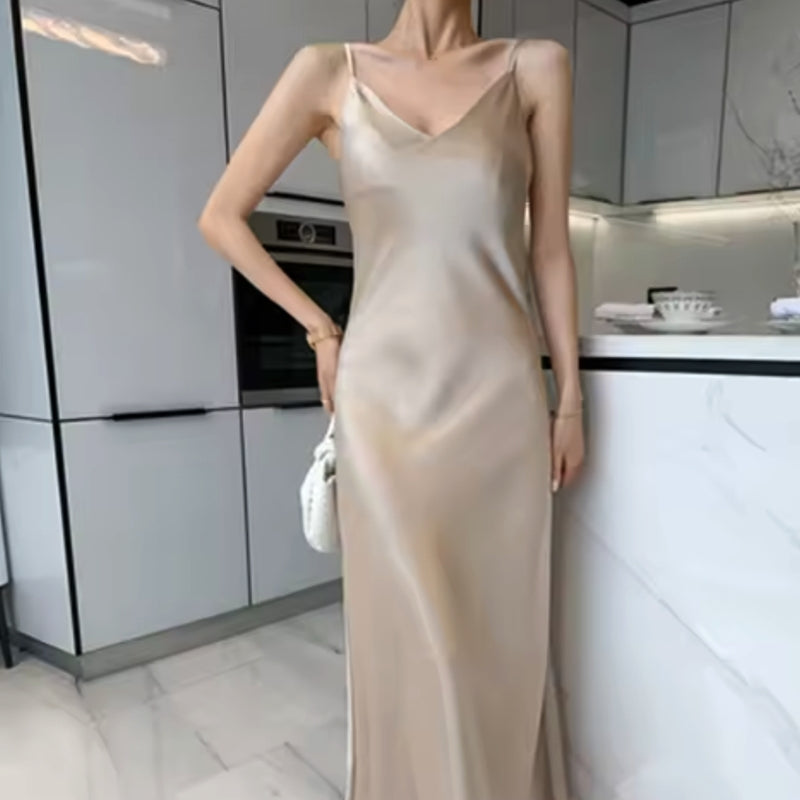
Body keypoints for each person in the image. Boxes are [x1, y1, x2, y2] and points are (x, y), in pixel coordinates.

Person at [199, 0, 584, 797]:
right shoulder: (326, 70)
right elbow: (222, 216)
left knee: (495, 640)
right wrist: (320, 328)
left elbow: (548, 249)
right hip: (381, 409)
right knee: (410, 638)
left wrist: (570, 398)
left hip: (500, 402)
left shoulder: (536, 68)